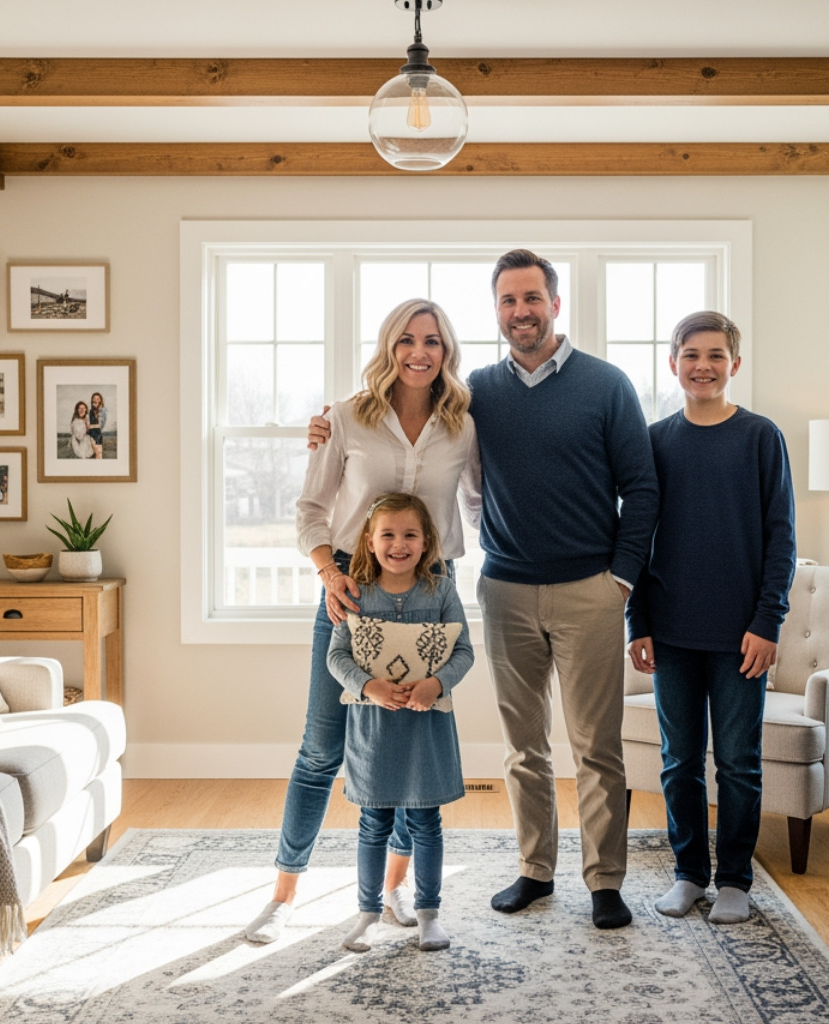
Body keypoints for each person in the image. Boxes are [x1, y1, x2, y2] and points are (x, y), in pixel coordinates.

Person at [307, 250, 658, 930]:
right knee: (523, 746)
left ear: (555, 304)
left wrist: (621, 576)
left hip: (590, 586)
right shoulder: (476, 397)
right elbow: (416, 446)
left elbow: (640, 487)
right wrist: (322, 426)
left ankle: (605, 881)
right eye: (507, 301)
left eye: (532, 298)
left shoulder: (607, 385)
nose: (521, 311)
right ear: (495, 312)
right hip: (505, 587)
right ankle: (535, 870)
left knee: (596, 745)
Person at [243, 298, 479, 946]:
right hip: (351, 582)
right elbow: (310, 509)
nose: (418, 352)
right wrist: (328, 572)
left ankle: (396, 888)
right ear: (388, 346)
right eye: (406, 339)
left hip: (432, 589)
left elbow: (484, 502)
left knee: (409, 747)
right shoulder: (346, 418)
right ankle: (283, 897)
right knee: (321, 749)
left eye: (432, 340)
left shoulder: (463, 425)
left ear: (447, 350)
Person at [625, 311, 796, 925]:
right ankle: (690, 873)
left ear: (735, 365)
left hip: (741, 635)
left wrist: (768, 621)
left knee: (738, 762)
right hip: (669, 631)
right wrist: (636, 621)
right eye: (691, 354)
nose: (703, 365)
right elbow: (636, 538)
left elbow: (782, 538)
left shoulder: (760, 437)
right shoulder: (653, 440)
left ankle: (735, 881)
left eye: (715, 355)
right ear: (673, 363)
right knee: (679, 760)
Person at [328, 492, 471, 954]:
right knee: (373, 824)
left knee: (427, 822)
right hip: (374, 731)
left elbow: (464, 651)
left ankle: (429, 914)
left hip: (426, 727)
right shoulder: (357, 593)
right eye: (387, 535)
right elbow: (336, 655)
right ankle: (368, 914)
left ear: (427, 541)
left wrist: (438, 683)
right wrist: (369, 686)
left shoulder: (442, 591)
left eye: (410, 534)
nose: (399, 544)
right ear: (369, 542)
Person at [88, 391, 108, 458]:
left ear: (101, 400)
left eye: (98, 398)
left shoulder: (103, 410)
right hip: (90, 435)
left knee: (99, 456)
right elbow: (89, 422)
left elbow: (100, 425)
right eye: (94, 398)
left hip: (97, 436)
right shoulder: (91, 411)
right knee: (92, 456)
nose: (96, 400)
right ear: (92, 400)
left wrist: (90, 426)